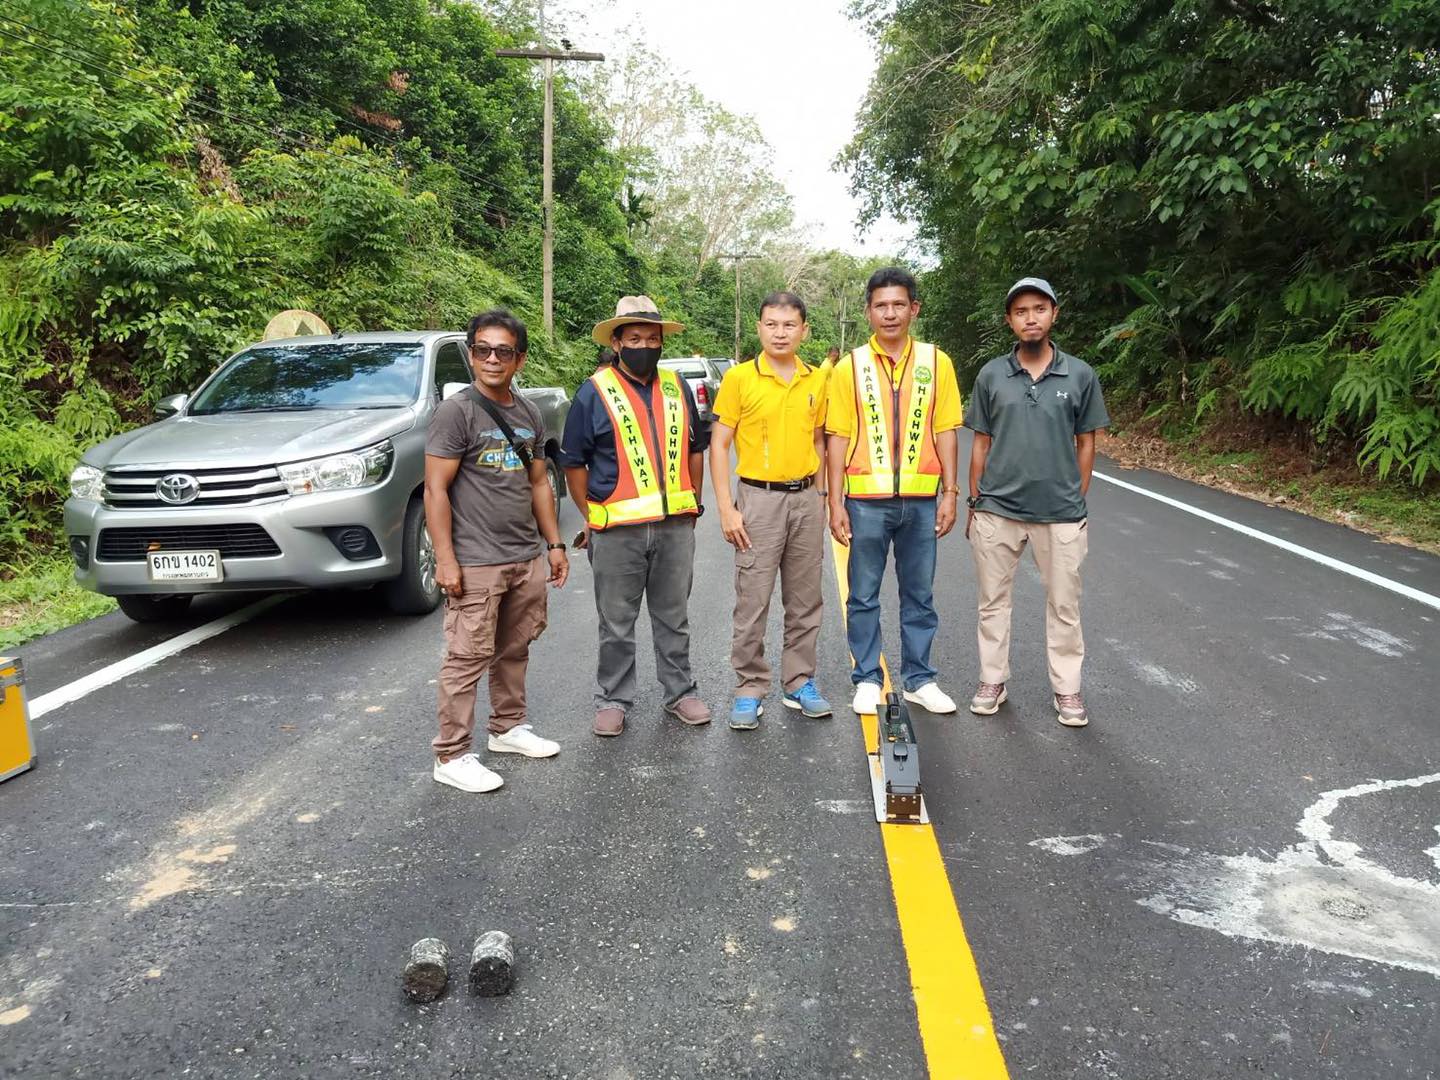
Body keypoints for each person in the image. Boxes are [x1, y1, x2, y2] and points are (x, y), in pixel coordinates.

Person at [425, 309, 570, 793]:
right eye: (483, 350)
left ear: (519, 359)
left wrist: (553, 544)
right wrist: (446, 559)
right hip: (476, 559)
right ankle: (452, 754)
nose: (492, 359)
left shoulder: (528, 413)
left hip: (524, 554)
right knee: (466, 656)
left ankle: (507, 727)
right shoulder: (456, 413)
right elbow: (435, 490)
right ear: (471, 355)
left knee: (514, 647)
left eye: (503, 351)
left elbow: (539, 483)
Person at [560, 295, 711, 737]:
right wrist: (592, 513)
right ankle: (613, 699)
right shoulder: (594, 392)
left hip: (675, 527)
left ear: (662, 341)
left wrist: (694, 502)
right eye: (635, 338)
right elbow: (574, 463)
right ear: (617, 343)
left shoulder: (677, 387)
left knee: (673, 617)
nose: (644, 345)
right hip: (616, 532)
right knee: (615, 623)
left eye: (652, 338)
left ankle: (681, 693)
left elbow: (695, 448)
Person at [964, 277, 1109, 727]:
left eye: (1039, 309)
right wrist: (975, 502)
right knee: (992, 602)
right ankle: (992, 680)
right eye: (1021, 311)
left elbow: (1087, 442)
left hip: (1060, 514)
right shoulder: (991, 375)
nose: (1031, 318)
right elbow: (981, 442)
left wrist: (1075, 496)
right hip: (997, 510)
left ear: (1054, 315)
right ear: (1010, 320)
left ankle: (1067, 689)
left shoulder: (1079, 375)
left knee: (1065, 606)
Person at [826, 267, 963, 716]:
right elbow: (837, 437)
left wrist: (950, 493)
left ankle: (920, 679)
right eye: (881, 305)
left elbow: (945, 429)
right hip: (865, 502)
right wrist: (834, 502)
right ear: (868, 311)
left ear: (914, 309)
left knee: (919, 594)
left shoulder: (936, 362)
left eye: (898, 304)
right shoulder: (849, 367)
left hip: (921, 502)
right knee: (863, 594)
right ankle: (868, 678)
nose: (890, 313)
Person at [709, 292, 832, 730]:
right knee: (753, 598)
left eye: (789, 325)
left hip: (806, 498)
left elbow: (819, 440)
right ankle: (749, 686)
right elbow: (719, 445)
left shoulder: (817, 380)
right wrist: (726, 508)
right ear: (759, 328)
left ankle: (799, 681)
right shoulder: (740, 378)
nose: (780, 333)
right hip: (758, 500)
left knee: (805, 599)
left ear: (804, 331)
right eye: (772, 324)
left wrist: (822, 496)